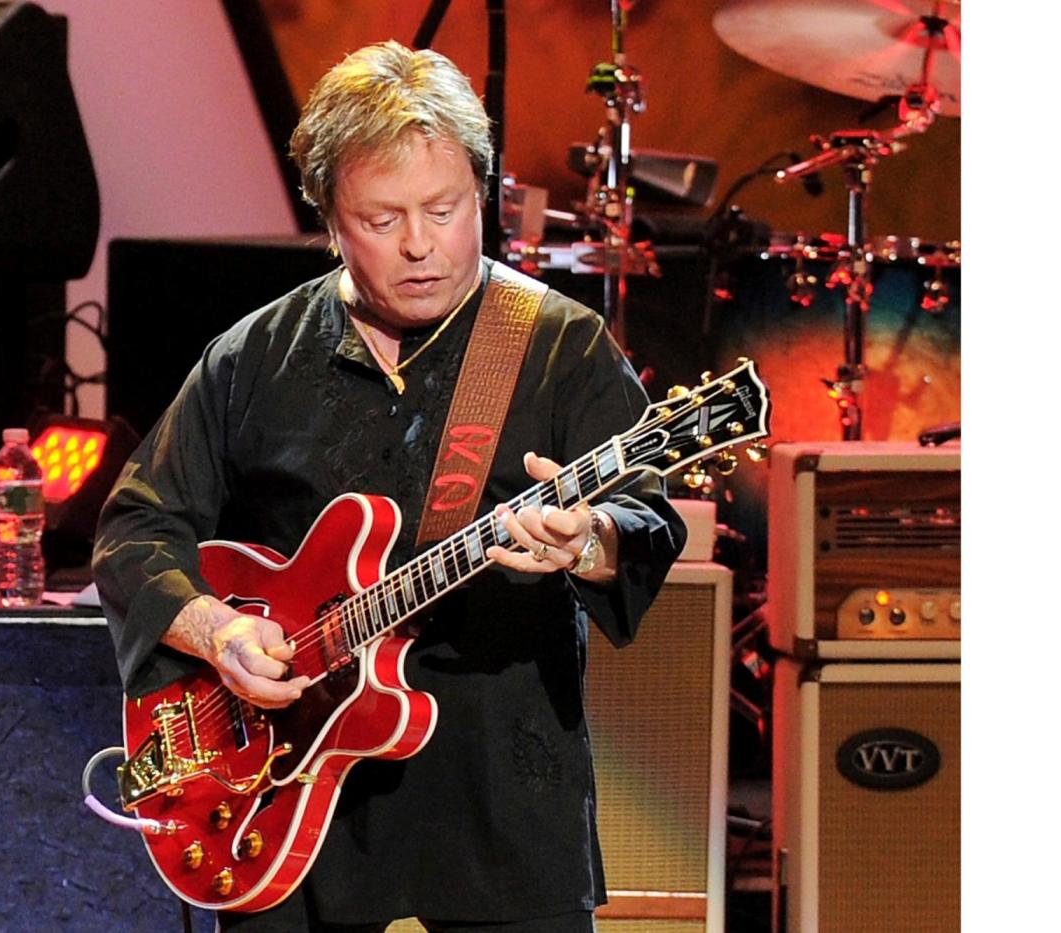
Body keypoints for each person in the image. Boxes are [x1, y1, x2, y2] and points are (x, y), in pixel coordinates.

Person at [93, 40, 686, 933]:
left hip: (499, 795)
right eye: (381, 218)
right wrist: (220, 631)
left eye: (444, 210)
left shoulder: (559, 344)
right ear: (329, 219)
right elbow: (136, 529)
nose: (419, 245)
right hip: (286, 791)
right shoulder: (254, 355)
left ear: (480, 193)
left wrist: (591, 540)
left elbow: (643, 514)